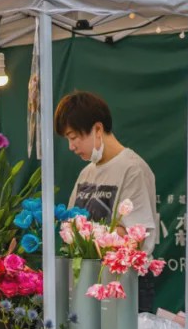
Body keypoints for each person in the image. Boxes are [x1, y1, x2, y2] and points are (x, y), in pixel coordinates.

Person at [56, 91, 160, 312]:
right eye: (68, 139)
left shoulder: (133, 169)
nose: (71, 147)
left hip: (125, 284)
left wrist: (85, 234)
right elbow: (70, 227)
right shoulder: (86, 173)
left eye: (73, 137)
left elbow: (134, 237)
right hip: (89, 281)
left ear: (98, 129)